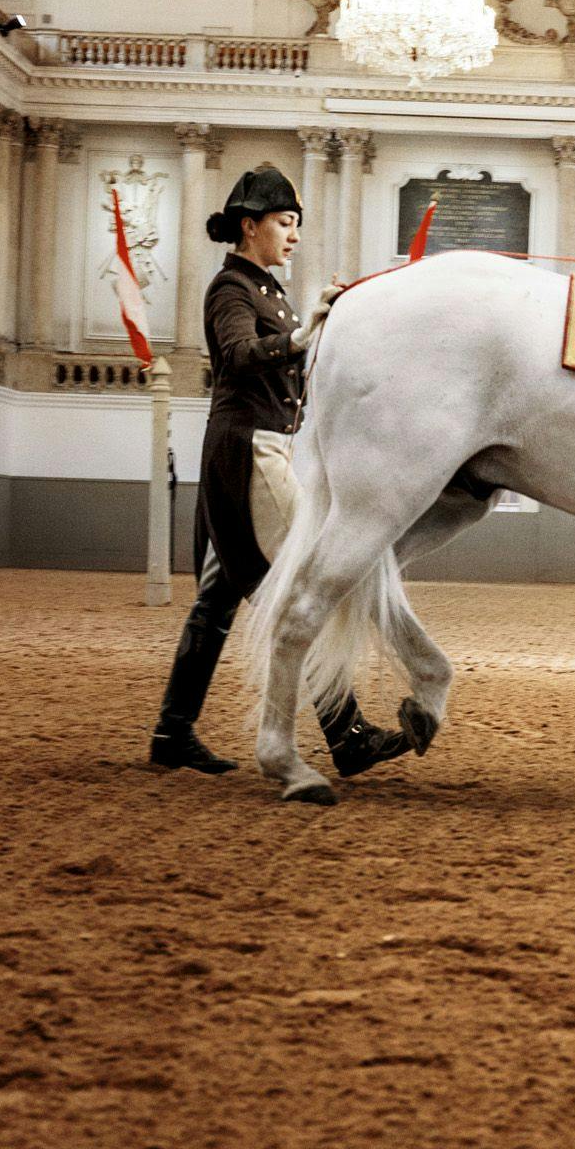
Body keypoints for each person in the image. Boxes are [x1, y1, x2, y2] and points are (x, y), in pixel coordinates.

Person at [149, 161, 409, 779]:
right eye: (285, 222)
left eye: (296, 224)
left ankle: (172, 731)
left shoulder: (270, 290)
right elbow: (240, 356)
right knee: (306, 588)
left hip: (256, 449)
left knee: (215, 602)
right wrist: (300, 337)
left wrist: (325, 322)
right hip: (250, 452)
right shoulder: (230, 288)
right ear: (249, 225)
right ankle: (346, 737)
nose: (293, 235)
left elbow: (293, 363)